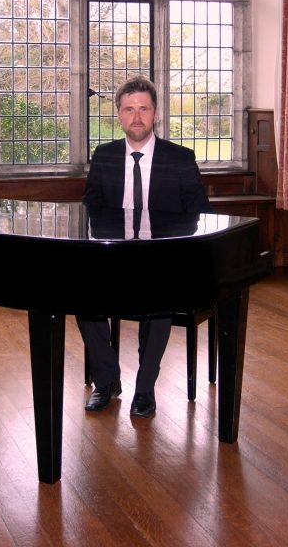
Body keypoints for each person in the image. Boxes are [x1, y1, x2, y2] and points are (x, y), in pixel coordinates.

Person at [79, 75, 211, 418]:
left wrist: (164, 245)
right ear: (119, 116)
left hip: (162, 258)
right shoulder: (105, 156)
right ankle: (106, 381)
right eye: (128, 110)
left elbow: (198, 210)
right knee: (82, 299)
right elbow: (92, 204)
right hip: (115, 255)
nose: (136, 117)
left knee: (160, 301)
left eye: (143, 109)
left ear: (155, 114)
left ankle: (145, 388)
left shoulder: (179, 158)